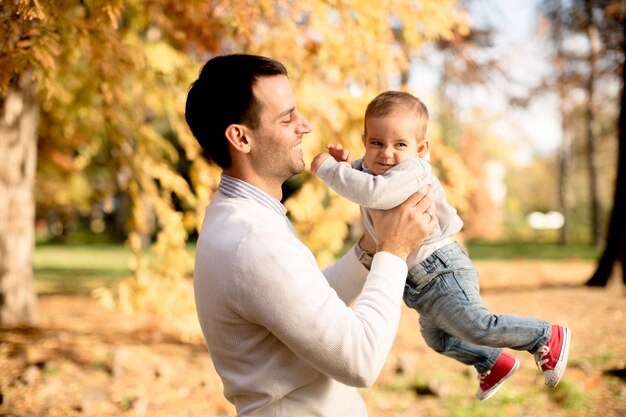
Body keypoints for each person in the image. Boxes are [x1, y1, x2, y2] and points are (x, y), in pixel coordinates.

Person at [185, 54, 438, 417]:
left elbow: (302, 304)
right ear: (241, 137)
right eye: (287, 118)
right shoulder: (251, 239)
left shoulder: (243, 214)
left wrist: (370, 248)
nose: (304, 126)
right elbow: (360, 360)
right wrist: (394, 251)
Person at [311, 90, 572, 401]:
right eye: (376, 143)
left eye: (400, 145)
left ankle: (545, 336)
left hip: (441, 269)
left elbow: (373, 194)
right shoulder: (375, 170)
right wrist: (348, 167)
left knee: (478, 326)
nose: (386, 153)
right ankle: (492, 362)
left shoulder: (412, 171)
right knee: (438, 340)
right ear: (365, 140)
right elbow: (363, 181)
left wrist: (329, 170)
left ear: (421, 149)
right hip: (418, 282)